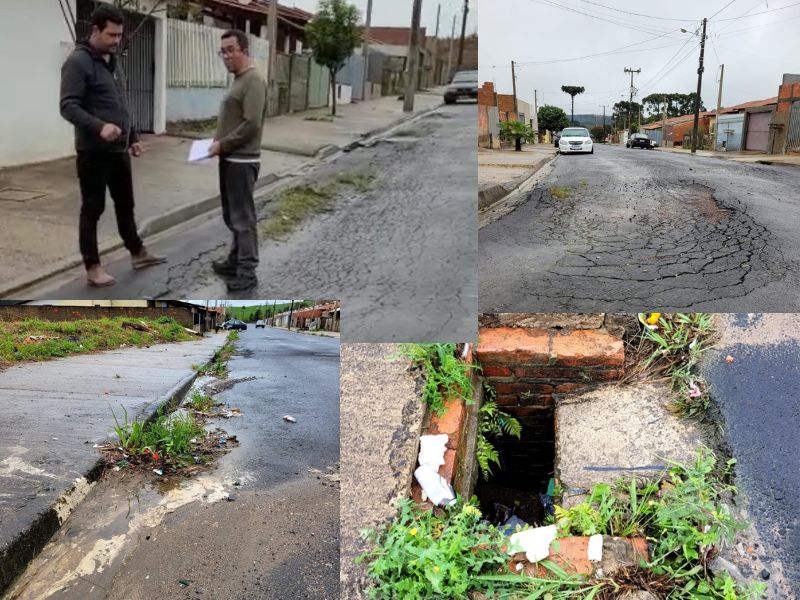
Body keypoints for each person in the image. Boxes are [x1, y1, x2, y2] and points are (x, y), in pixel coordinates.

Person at [60, 3, 166, 287]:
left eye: (120, 35)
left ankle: (137, 252)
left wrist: (132, 138)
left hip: (119, 151)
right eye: (112, 35)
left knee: (126, 205)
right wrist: (99, 126)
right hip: (93, 153)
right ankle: (93, 267)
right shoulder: (78, 62)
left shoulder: (113, 62)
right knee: (92, 209)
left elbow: (121, 103)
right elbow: (68, 106)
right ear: (95, 30)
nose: (117, 41)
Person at [208, 29, 268, 292]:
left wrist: (223, 143)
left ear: (244, 50)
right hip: (230, 158)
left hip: (242, 161)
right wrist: (218, 142)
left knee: (243, 218)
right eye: (223, 51)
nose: (226, 56)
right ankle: (234, 261)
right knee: (232, 215)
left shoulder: (253, 80)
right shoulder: (239, 80)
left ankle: (247, 271)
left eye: (231, 50)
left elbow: (252, 124)